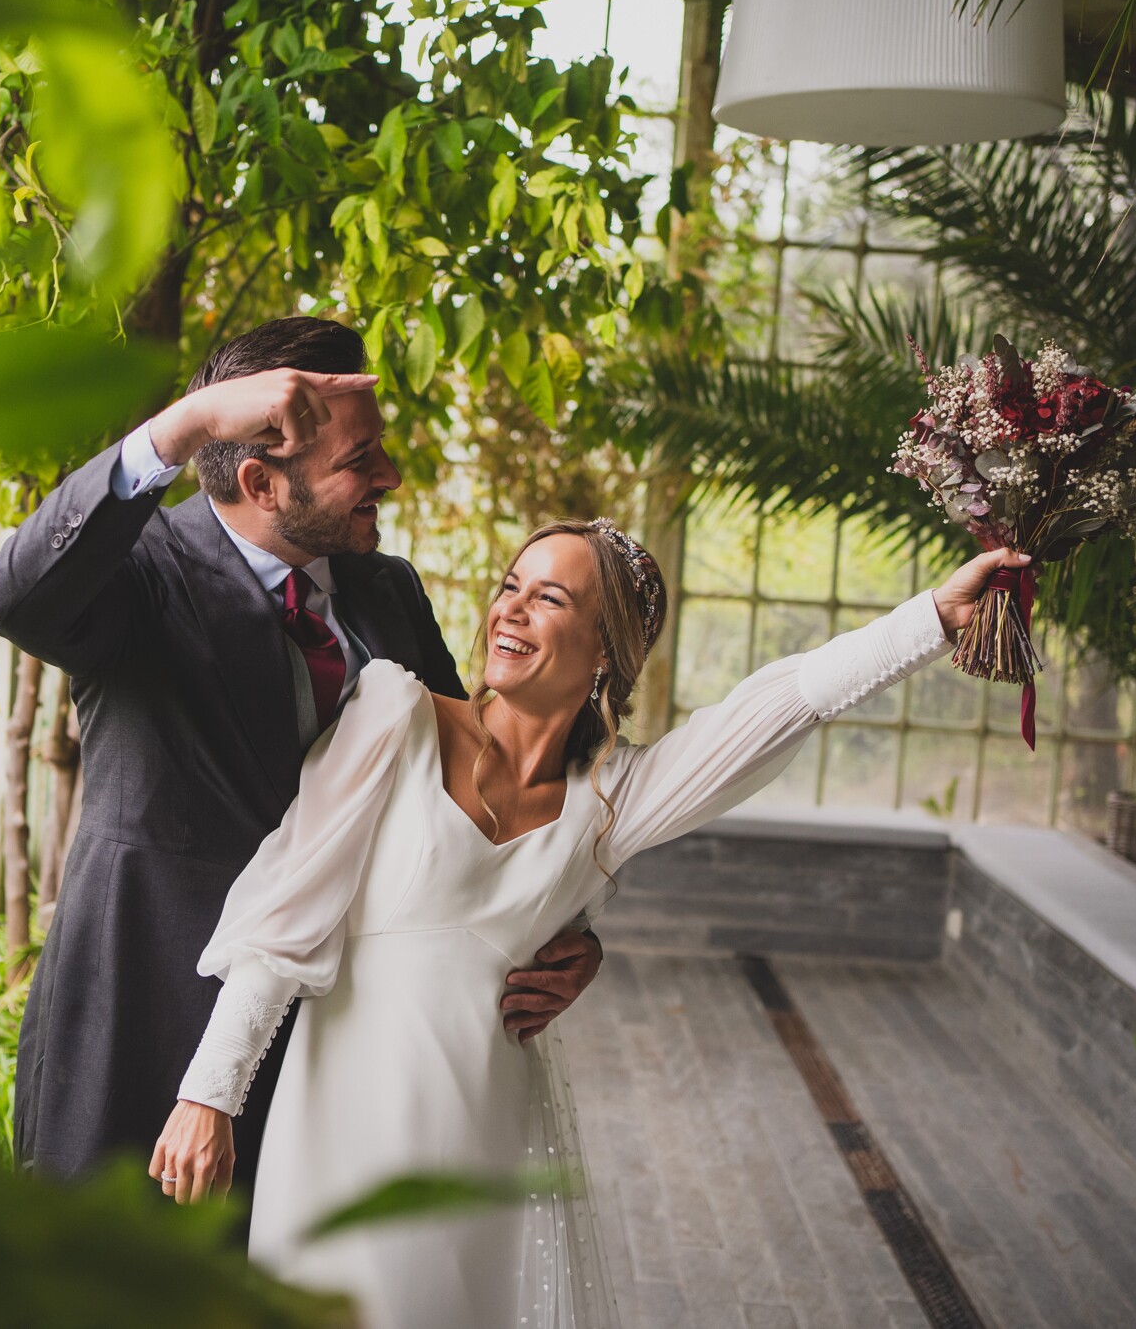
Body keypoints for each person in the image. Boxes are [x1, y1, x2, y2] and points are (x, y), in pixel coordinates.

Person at [151, 517, 1028, 1328]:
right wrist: (209, 1094)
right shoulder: (394, 716)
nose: (512, 608)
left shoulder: (611, 801)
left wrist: (932, 620)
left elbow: (780, 703)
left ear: (604, 651)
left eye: (551, 597)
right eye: (511, 584)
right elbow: (287, 914)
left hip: (485, 1133)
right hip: (340, 1122)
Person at [0, 316, 604, 1197]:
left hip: (338, 1042)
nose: (388, 476)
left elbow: (475, 780)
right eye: (361, 462)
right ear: (260, 479)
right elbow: (17, 599)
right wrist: (184, 423)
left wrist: (566, 936)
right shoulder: (140, 572)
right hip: (141, 1019)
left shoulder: (388, 592)